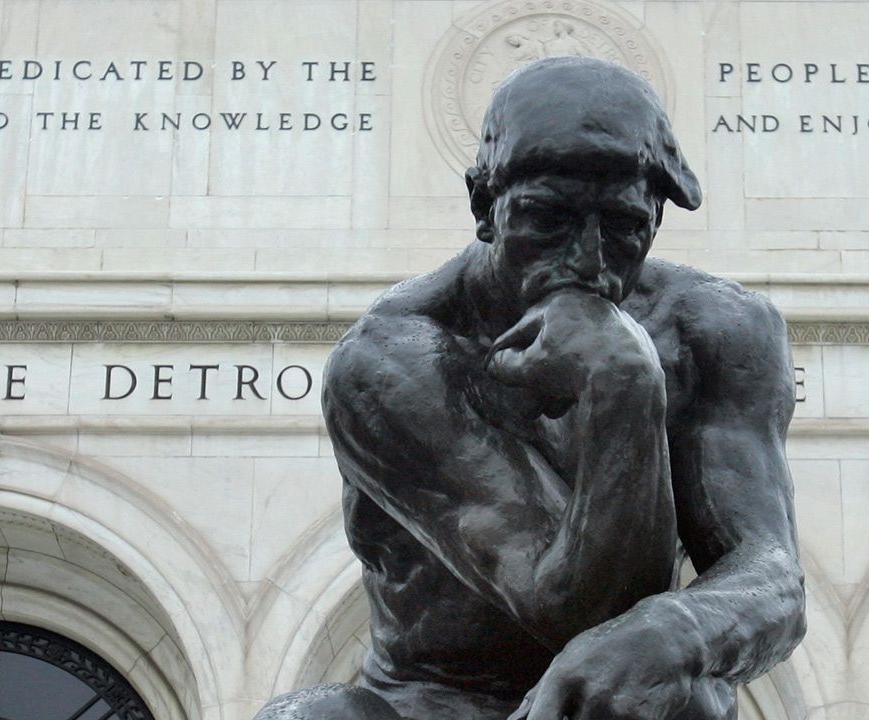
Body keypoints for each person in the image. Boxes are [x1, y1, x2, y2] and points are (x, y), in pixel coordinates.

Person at [314, 56, 805, 720]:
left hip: (636, 696)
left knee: (663, 690)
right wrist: (624, 387)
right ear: (485, 207)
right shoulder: (391, 361)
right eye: (548, 219)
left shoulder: (715, 331)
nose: (589, 264)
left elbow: (773, 577)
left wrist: (681, 630)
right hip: (434, 704)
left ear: (657, 218)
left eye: (624, 226)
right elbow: (574, 607)